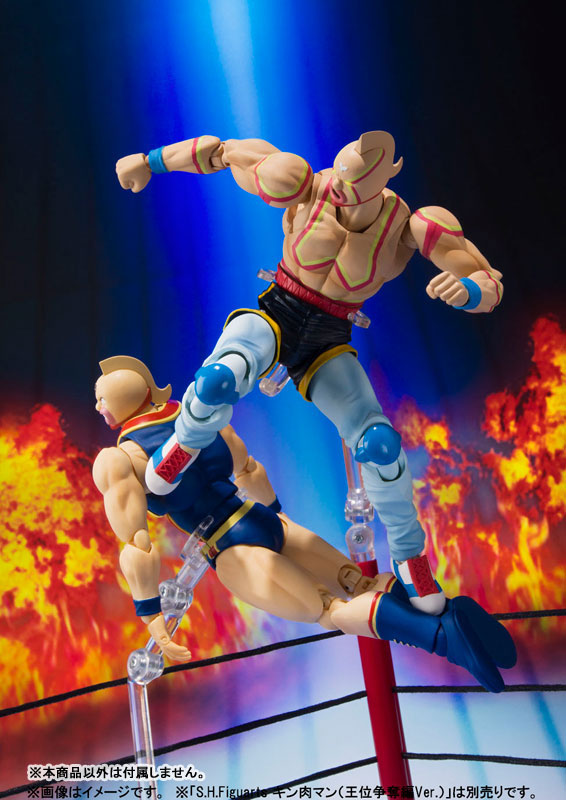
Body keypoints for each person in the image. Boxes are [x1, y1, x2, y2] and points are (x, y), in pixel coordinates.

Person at [116, 131, 503, 617]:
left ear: (386, 178)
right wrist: (148, 161)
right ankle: (184, 446)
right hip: (278, 311)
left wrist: (468, 291)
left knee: (380, 445)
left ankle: (410, 558)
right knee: (217, 380)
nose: (339, 187)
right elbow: (221, 152)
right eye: (339, 173)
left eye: (353, 182)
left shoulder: (413, 226)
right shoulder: (304, 182)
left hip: (328, 336)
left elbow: (488, 281)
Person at [92, 356, 516, 692]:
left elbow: (137, 544)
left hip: (230, 549)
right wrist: (278, 517)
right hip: (259, 516)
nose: (98, 406)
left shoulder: (119, 458)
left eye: (101, 398)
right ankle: (445, 610)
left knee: (330, 611)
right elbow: (248, 469)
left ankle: (440, 637)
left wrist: (151, 615)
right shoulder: (196, 415)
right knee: (357, 581)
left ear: (126, 398)